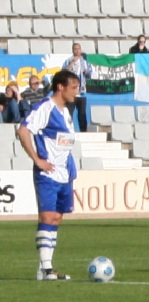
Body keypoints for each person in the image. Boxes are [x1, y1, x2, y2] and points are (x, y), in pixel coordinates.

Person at [16, 70, 81, 280]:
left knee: (57, 218)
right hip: (48, 174)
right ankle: (46, 267)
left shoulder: (66, 112)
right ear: (60, 87)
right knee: (47, 216)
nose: (76, 92)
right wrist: (37, 159)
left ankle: (46, 268)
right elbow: (23, 130)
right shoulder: (46, 107)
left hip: (65, 173)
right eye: (73, 87)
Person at [61, 43, 92, 132]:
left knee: (82, 113)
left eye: (78, 49)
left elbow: (90, 74)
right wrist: (72, 63)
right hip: (71, 92)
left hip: (81, 92)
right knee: (69, 112)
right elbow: (63, 72)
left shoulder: (85, 62)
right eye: (75, 49)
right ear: (72, 50)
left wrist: (86, 72)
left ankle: (83, 131)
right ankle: (68, 130)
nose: (77, 50)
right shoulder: (68, 61)